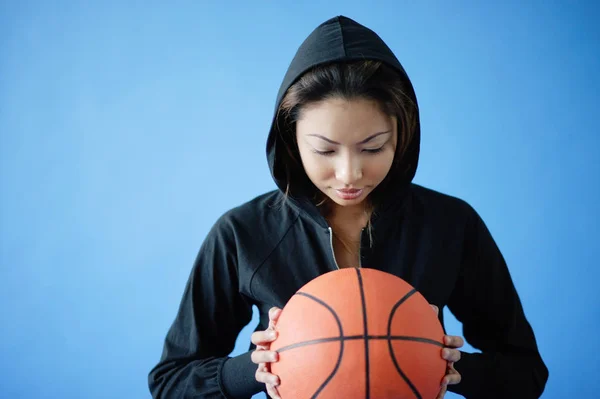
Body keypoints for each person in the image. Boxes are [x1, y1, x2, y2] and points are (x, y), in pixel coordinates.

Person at [148, 15, 548, 399]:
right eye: (324, 150)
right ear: (291, 140)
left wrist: (450, 366)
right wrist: (251, 370)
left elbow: (525, 373)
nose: (349, 174)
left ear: (402, 135)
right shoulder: (242, 232)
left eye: (373, 147)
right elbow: (170, 382)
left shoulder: (451, 225)